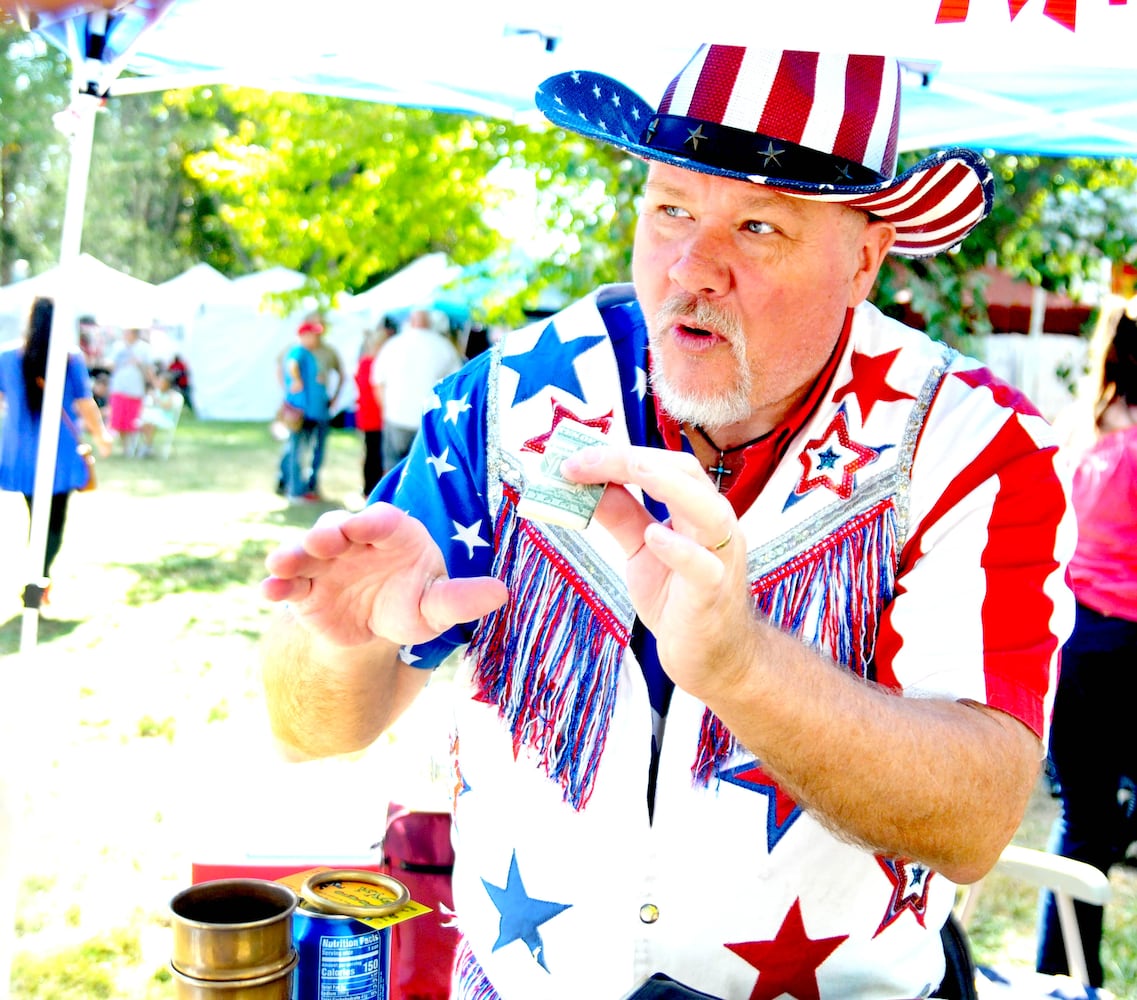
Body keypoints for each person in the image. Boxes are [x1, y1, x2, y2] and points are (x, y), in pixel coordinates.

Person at [261, 45, 1076, 999]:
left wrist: (742, 667)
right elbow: (307, 732)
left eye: (759, 226)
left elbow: (974, 820)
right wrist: (345, 644)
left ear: (863, 257)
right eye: (670, 210)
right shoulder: (507, 405)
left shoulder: (972, 446)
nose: (693, 267)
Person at [1035, 295, 1137, 987]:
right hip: (1127, 643)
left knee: (1081, 819)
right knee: (1090, 818)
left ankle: (1063, 980)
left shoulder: (1080, 436)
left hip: (1075, 644)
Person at [0, 297, 113, 601]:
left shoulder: (7, 357)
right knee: (53, 524)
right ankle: (38, 581)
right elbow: (85, 403)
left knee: (36, 518)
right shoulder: (68, 358)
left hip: (20, 450)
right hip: (57, 451)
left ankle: (37, 582)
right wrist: (101, 436)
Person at [369, 306, 462, 473]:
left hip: (396, 416)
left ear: (410, 321)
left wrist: (386, 409)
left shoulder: (393, 344)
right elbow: (456, 385)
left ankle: (392, 499)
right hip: (430, 420)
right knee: (424, 472)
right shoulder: (444, 346)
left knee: (392, 470)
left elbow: (377, 382)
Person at [279, 317, 340, 503]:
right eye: (312, 335)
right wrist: (296, 380)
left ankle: (304, 487)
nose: (316, 338)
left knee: (308, 449)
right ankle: (295, 489)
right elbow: (292, 366)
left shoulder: (315, 353)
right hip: (301, 410)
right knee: (297, 450)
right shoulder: (298, 350)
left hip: (316, 410)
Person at [354, 317, 395, 499]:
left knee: (376, 454)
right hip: (372, 415)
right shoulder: (368, 363)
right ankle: (370, 489)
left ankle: (374, 488)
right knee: (373, 454)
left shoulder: (372, 363)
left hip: (376, 414)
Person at [107, 326, 155, 456]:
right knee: (120, 420)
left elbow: (149, 370)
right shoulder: (118, 346)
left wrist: (152, 384)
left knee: (133, 420)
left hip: (135, 390)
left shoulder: (144, 348)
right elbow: (109, 364)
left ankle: (133, 447)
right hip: (119, 388)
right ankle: (125, 447)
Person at [136, 369, 182, 458]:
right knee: (146, 422)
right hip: (154, 417)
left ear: (168, 384)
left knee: (149, 422)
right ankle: (147, 445)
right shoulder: (157, 392)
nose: (159, 383)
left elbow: (167, 407)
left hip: (165, 418)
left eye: (162, 382)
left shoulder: (172, 395)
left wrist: (156, 399)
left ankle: (147, 446)